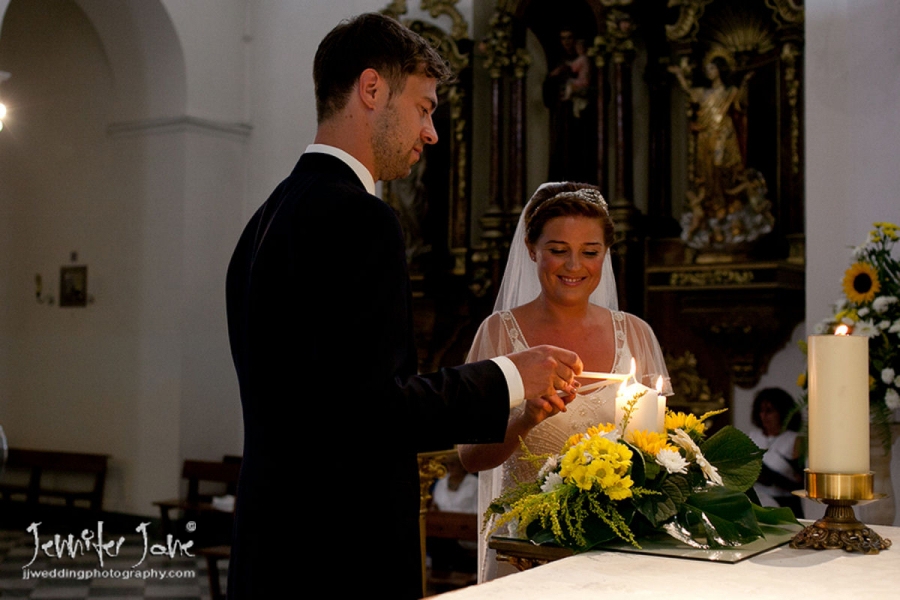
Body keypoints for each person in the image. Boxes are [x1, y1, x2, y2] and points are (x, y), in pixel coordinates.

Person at [225, 14, 584, 599]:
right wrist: (511, 377)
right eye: (423, 108)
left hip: (271, 545)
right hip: (341, 553)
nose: (431, 131)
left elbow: (318, 402)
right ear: (372, 90)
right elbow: (371, 410)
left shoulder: (263, 221)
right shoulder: (361, 219)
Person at [457, 182, 671, 581]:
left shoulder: (636, 334)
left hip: (617, 550)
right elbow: (470, 456)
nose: (574, 266)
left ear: (604, 255)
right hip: (525, 551)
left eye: (589, 252)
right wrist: (526, 419)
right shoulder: (499, 334)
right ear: (532, 249)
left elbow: (660, 453)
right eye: (558, 251)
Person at [748, 387, 804, 516]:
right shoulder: (752, 437)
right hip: (756, 502)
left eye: (769, 411)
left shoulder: (795, 439)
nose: (764, 416)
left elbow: (800, 481)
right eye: (761, 411)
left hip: (785, 505)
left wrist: (770, 476)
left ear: (783, 412)